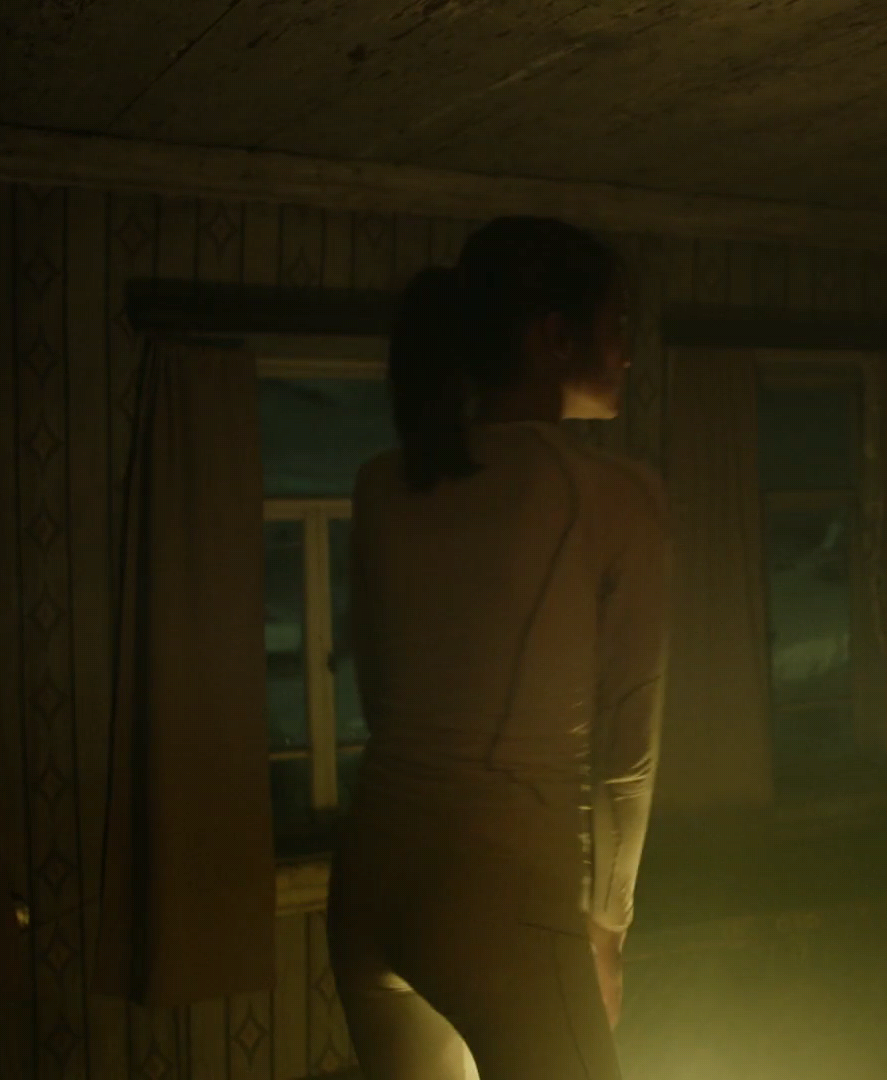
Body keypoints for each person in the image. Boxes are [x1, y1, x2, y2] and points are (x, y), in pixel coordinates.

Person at [326, 216, 671, 1080]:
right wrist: (607, 926)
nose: (628, 352)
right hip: (500, 893)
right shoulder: (612, 494)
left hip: (368, 878)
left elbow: (381, 693)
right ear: (555, 338)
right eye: (617, 324)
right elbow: (628, 747)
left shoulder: (384, 482)